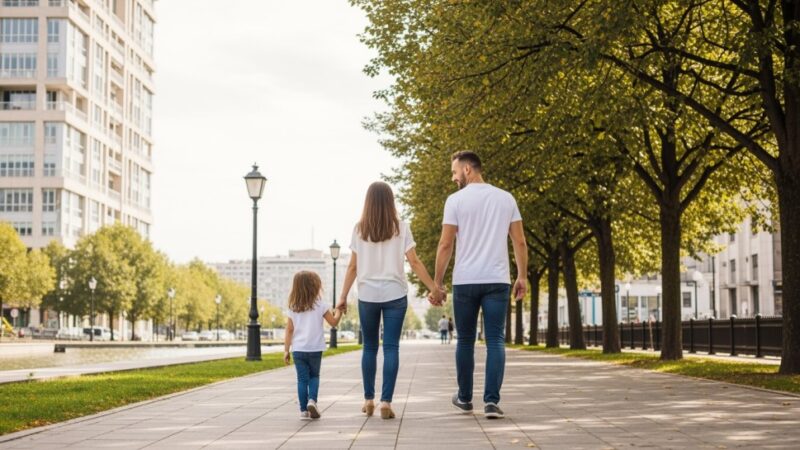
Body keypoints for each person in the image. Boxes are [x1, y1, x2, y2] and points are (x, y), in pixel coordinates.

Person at [430, 151, 528, 420]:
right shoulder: (506, 198)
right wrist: (522, 275)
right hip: (498, 279)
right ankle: (491, 402)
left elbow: (446, 244)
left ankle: (464, 398)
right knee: (495, 339)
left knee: (465, 340)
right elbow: (519, 241)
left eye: (454, 172)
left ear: (468, 170)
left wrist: (437, 284)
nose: (453, 178)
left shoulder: (455, 201)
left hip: (466, 280)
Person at [337, 181, 438, 420]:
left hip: (368, 295)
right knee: (391, 347)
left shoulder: (359, 229)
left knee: (369, 347)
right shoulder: (401, 228)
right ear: (391, 201)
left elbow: (352, 267)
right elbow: (414, 262)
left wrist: (342, 297)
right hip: (395, 294)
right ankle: (386, 402)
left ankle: (368, 399)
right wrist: (433, 288)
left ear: (368, 202)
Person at [284, 271, 342, 420]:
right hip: (315, 348)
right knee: (314, 376)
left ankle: (303, 411)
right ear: (315, 286)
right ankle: (312, 401)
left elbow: (289, 330)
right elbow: (333, 322)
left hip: (298, 349)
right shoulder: (320, 305)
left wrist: (286, 350)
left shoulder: (293, 307)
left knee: (302, 379)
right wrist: (340, 311)